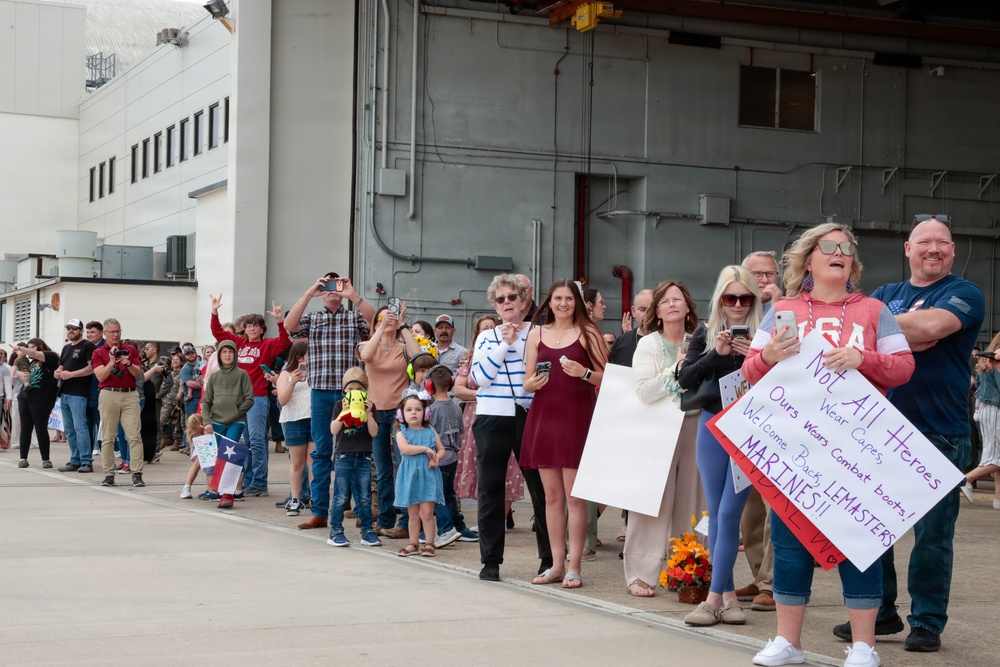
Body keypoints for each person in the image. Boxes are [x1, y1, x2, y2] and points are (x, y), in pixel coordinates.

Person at [744, 223, 915, 667]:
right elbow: (749, 371)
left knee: (860, 542)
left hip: (860, 452)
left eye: (846, 248)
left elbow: (903, 368)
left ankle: (864, 647)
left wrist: (865, 359)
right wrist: (768, 357)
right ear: (809, 260)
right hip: (795, 448)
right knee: (788, 543)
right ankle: (788, 643)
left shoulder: (876, 311)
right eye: (828, 247)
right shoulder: (781, 309)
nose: (839, 252)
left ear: (852, 263)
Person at [834, 216, 984, 653]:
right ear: (908, 248)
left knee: (932, 536)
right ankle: (880, 614)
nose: (933, 249)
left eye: (942, 242)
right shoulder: (886, 294)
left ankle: (927, 622)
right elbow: (870, 335)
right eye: (924, 242)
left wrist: (884, 334)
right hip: (880, 429)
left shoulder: (964, 293)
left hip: (940, 432)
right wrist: (892, 336)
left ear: (952, 250)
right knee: (871, 528)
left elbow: (929, 330)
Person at [677, 264, 763, 626]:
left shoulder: (764, 334)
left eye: (745, 297)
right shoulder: (705, 332)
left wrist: (752, 356)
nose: (738, 304)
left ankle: (712, 600)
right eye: (731, 297)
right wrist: (718, 352)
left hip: (751, 429)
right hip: (713, 426)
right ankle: (727, 597)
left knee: (729, 514)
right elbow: (684, 378)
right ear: (720, 300)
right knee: (716, 514)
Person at [521, 279, 608, 589]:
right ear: (549, 301)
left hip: (576, 418)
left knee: (575, 497)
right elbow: (527, 380)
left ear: (577, 303)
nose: (562, 303)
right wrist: (532, 384)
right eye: (557, 298)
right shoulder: (535, 334)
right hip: (545, 417)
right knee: (552, 497)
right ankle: (555, 564)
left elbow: (608, 375)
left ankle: (574, 565)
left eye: (569, 298)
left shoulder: (589, 333)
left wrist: (583, 373)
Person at [624, 280, 704, 597]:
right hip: (658, 430)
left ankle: (689, 571)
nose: (672, 304)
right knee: (652, 503)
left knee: (695, 503)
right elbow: (644, 390)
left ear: (687, 307)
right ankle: (641, 573)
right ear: (656, 310)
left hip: (696, 426)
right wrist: (677, 368)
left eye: (678, 299)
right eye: (666, 301)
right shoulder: (648, 344)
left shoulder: (701, 341)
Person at [471, 273, 551, 582]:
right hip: (493, 416)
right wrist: (503, 344)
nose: (507, 303)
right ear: (494, 304)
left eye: (512, 298)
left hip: (529, 415)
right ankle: (490, 560)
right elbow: (479, 379)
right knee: (490, 488)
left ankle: (548, 557)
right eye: (500, 299)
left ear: (524, 302)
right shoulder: (486, 337)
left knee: (540, 489)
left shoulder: (538, 333)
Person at [285, 272, 375, 530]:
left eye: (337, 284)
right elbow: (290, 326)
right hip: (322, 392)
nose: (332, 290)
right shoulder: (313, 317)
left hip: (352, 392)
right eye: (327, 285)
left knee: (357, 450)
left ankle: (361, 511)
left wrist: (352, 295)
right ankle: (319, 512)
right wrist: (309, 293)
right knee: (322, 452)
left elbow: (375, 321)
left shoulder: (353, 315)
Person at [737, 250, 784, 612]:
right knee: (749, 511)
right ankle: (758, 575)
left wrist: (778, 304)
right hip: (741, 419)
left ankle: (772, 582)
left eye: (770, 273)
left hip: (778, 420)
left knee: (774, 507)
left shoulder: (788, 309)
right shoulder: (733, 309)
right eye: (757, 275)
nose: (765, 280)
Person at [211, 295, 292, 497]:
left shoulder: (268, 345)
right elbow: (218, 333)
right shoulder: (239, 343)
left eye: (257, 326)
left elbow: (284, 342)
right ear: (244, 329)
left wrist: (280, 321)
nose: (252, 329)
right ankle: (247, 481)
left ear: (262, 329)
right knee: (244, 442)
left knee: (257, 440)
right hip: (238, 401)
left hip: (257, 398)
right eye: (249, 326)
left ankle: (259, 482)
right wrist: (214, 312)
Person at [358, 303, 421, 537]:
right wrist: (380, 327)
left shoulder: (403, 348)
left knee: (405, 467)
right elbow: (365, 356)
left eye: (391, 317)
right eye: (382, 318)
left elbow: (418, 356)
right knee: (383, 470)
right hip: (375, 412)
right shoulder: (368, 345)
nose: (388, 320)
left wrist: (403, 325)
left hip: (399, 414)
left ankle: (406, 521)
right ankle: (386, 519)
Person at [454, 315, 524, 526]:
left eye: (494, 327)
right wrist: (486, 393)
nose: (491, 330)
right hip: (477, 415)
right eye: (486, 328)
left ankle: (502, 517)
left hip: (506, 412)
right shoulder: (469, 357)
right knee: (483, 468)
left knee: (510, 465)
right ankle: (486, 519)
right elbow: (458, 389)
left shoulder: (515, 351)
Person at [326, 366, 382, 547]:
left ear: (366, 391)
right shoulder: (338, 405)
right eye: (351, 389)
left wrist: (368, 413)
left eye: (359, 389)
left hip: (364, 456)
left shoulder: (371, 407)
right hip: (344, 456)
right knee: (341, 496)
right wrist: (344, 412)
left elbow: (374, 432)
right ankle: (335, 531)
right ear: (344, 390)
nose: (355, 392)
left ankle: (367, 531)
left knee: (365, 496)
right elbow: (333, 430)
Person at [202, 339, 255, 509]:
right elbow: (206, 402)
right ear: (219, 355)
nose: (227, 355)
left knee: (230, 457)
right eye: (224, 352)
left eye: (230, 352)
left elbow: (249, 399)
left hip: (236, 422)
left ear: (235, 354)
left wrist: (237, 412)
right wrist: (207, 422)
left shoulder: (242, 374)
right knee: (218, 458)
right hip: (216, 423)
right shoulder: (214, 377)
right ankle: (218, 490)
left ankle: (228, 495)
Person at [92, 319, 145, 487]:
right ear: (105, 333)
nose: (116, 335)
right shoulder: (98, 352)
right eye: (112, 332)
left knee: (134, 435)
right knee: (108, 436)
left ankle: (136, 472)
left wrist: (128, 363)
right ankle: (109, 473)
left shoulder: (129, 350)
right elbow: (100, 376)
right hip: (109, 394)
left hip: (129, 394)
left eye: (118, 331)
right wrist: (111, 361)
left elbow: (138, 374)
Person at [426, 364, 477, 541]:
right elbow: (461, 434)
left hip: (437, 458)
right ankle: (460, 527)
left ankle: (446, 529)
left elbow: (428, 435)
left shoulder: (431, 410)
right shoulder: (456, 407)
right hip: (453, 457)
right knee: (449, 493)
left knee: (436, 495)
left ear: (429, 386)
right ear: (451, 384)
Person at [393, 394, 446, 558]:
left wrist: (437, 457)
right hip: (410, 477)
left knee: (427, 513)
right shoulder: (401, 433)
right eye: (408, 410)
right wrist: (425, 449)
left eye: (418, 409)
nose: (413, 413)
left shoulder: (431, 431)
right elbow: (405, 449)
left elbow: (442, 449)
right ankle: (413, 543)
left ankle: (430, 543)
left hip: (428, 475)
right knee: (413, 514)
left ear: (426, 412)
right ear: (401, 414)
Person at [277, 341, 313, 516]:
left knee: (314, 462)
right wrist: (292, 382)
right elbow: (282, 400)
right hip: (294, 420)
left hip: (314, 418)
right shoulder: (285, 373)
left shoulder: (317, 371)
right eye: (309, 353)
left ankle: (316, 499)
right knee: (297, 463)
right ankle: (295, 499)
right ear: (299, 356)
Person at [11, 339, 59, 469]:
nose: (31, 350)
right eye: (29, 348)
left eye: (33, 347)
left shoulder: (50, 356)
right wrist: (21, 374)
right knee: (25, 427)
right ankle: (23, 458)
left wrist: (20, 348)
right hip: (25, 396)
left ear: (41, 346)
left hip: (42, 398)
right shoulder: (31, 362)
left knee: (40, 427)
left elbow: (37, 354)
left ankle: (45, 459)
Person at [55, 319, 96, 473]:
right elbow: (61, 367)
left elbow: (92, 367)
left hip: (79, 393)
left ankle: (86, 460)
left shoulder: (87, 346)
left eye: (74, 328)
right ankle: (75, 459)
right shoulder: (66, 348)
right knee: (69, 429)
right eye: (69, 328)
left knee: (81, 427)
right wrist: (57, 373)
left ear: (81, 330)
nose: (71, 330)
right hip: (65, 392)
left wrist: (71, 375)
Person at [965, 337, 1000, 508]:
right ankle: (964, 480)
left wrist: (978, 410)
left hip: (985, 409)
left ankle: (998, 499)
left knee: (995, 453)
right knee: (995, 457)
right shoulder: (997, 363)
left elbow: (977, 388)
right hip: (996, 410)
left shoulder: (985, 361)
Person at [141, 341, 167, 463]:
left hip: (154, 398)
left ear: (154, 350)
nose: (145, 351)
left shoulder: (160, 364)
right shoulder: (145, 364)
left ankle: (155, 450)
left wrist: (160, 394)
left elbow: (169, 380)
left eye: (147, 349)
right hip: (145, 397)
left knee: (155, 423)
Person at [179, 413, 213, 499]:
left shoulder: (197, 432)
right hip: (203, 445)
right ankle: (187, 487)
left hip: (205, 443)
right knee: (202, 465)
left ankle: (209, 489)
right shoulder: (197, 434)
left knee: (207, 467)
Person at [85, 322, 105, 459]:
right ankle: (87, 455)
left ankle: (113, 451)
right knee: (86, 426)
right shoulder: (86, 347)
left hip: (101, 393)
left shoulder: (106, 347)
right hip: (86, 393)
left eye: (92, 332)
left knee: (103, 426)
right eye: (87, 332)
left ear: (101, 332)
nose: (89, 335)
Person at [179, 345, 203, 454]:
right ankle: (192, 448)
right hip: (191, 400)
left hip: (201, 398)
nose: (191, 355)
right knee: (192, 424)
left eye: (192, 353)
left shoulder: (200, 365)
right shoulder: (185, 369)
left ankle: (200, 447)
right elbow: (189, 383)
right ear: (185, 356)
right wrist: (203, 385)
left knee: (201, 423)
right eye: (188, 354)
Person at [159, 355, 184, 452]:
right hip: (167, 400)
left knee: (178, 422)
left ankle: (177, 441)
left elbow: (183, 384)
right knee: (162, 419)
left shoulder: (182, 372)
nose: (175, 361)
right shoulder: (168, 373)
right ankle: (165, 437)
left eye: (177, 360)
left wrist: (180, 395)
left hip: (178, 400)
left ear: (181, 362)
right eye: (173, 360)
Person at [0, 349, 12, 451]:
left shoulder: (5, 369)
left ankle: (3, 443)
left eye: (1, 353)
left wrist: (9, 397)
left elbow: (8, 384)